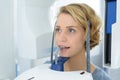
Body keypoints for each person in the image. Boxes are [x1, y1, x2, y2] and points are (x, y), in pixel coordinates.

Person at [50, 3, 111, 80]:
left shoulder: (101, 78)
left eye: (71, 30)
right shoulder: (45, 68)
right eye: (58, 29)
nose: (61, 38)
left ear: (88, 34)